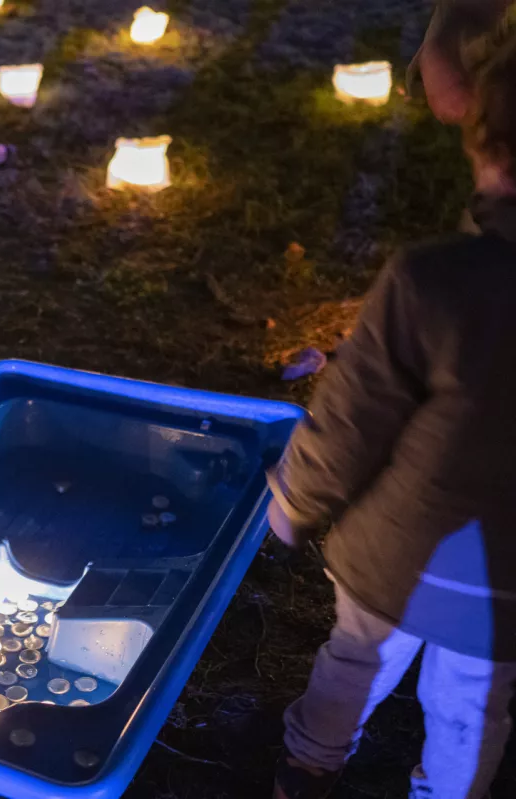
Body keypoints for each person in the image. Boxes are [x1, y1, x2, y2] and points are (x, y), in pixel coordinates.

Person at [268, 22, 516, 799]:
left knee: (356, 658)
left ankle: (309, 767)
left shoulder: (434, 281)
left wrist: (295, 501)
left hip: (395, 556)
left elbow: (350, 417)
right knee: (473, 703)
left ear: (484, 146)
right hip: (507, 586)